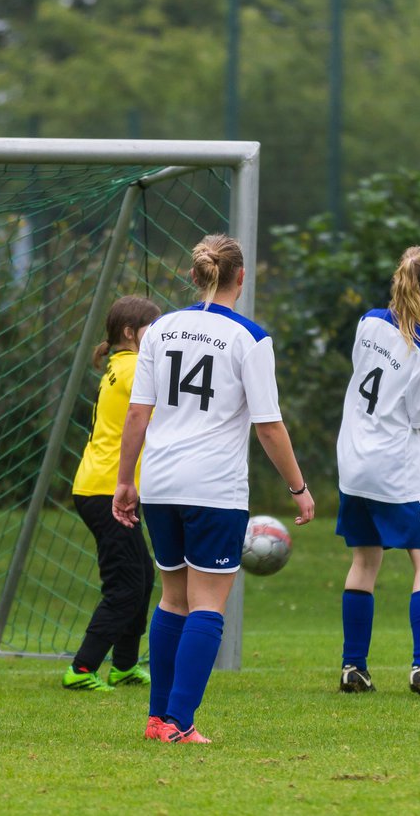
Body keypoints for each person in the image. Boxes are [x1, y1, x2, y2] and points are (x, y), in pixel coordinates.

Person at [113, 233, 315, 744]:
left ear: (195, 275)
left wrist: (124, 480)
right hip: (213, 488)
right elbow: (268, 426)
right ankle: (180, 723)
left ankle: (158, 720)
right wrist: (298, 488)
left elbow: (139, 412)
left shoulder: (159, 330)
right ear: (240, 278)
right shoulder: (250, 338)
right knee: (207, 605)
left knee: (172, 600)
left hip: (160, 482)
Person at [335, 247, 420, 699]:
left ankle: (354, 666)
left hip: (353, 461)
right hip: (395, 467)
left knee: (365, 560)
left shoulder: (369, 321)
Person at [64, 295, 163, 693]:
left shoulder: (120, 366)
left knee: (142, 577)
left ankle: (123, 666)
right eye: (150, 330)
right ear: (129, 333)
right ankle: (82, 669)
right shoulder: (137, 367)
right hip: (106, 490)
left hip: (99, 487)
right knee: (124, 586)